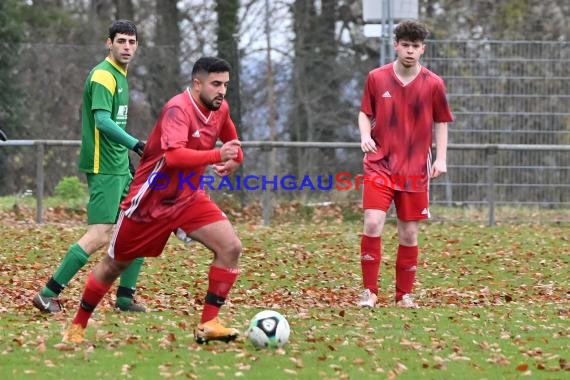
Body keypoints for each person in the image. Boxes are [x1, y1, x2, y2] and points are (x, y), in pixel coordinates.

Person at [62, 56, 244, 345]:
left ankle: (209, 323)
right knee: (114, 266)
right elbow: (173, 156)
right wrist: (216, 156)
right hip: (150, 200)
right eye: (216, 84)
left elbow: (232, 142)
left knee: (231, 247)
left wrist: (236, 158)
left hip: (188, 196)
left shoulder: (220, 108)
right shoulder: (177, 109)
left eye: (225, 85)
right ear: (197, 84)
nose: (222, 91)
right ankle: (77, 326)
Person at [33, 20, 147, 314]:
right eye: (121, 41)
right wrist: (136, 144)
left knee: (139, 224)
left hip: (119, 166)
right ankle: (48, 293)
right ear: (109, 43)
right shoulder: (103, 76)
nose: (126, 47)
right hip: (104, 167)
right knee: (99, 234)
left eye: (131, 42)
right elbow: (103, 122)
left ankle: (124, 297)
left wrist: (128, 163)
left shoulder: (121, 75)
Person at [357, 20, 453, 308]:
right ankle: (370, 292)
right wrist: (364, 136)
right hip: (379, 164)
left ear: (422, 49)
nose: (410, 51)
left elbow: (442, 122)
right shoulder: (377, 77)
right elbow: (364, 113)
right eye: (405, 45)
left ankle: (403, 296)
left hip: (414, 170)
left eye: (415, 46)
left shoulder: (433, 83)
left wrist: (442, 158)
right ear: (396, 45)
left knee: (408, 232)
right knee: (373, 223)